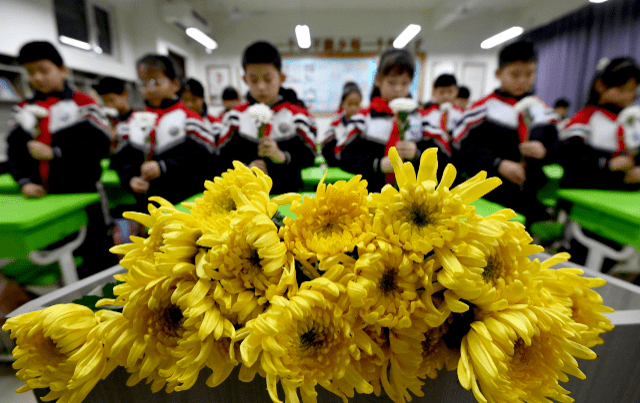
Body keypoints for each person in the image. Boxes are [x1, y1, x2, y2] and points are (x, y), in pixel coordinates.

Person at [7, 41, 114, 277]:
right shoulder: (23, 109)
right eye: (31, 72)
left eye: (44, 70)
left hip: (83, 194)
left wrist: (56, 153)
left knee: (96, 251)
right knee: (55, 257)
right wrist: (24, 181)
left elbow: (101, 144)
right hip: (45, 199)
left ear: (63, 70)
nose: (37, 78)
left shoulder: (83, 103)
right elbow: (14, 152)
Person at [452, 41, 558, 225]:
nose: (523, 80)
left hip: (528, 195)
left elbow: (560, 149)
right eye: (515, 74)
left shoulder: (544, 112)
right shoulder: (481, 110)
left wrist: (545, 151)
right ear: (499, 74)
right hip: (488, 196)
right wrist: (497, 163)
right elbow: (463, 149)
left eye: (530, 73)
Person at [336, 48, 450, 192]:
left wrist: (418, 154)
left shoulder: (422, 120)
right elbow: (341, 156)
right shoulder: (362, 120)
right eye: (392, 82)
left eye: (404, 83)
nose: (398, 89)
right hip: (370, 198)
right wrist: (377, 164)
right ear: (378, 80)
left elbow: (446, 159)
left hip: (412, 199)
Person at [111, 54, 216, 207]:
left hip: (185, 202)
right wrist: (130, 179)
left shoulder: (190, 119)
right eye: (144, 83)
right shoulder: (132, 121)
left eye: (156, 82)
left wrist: (164, 166)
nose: (150, 88)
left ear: (175, 84)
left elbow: (204, 158)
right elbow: (123, 159)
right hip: (148, 203)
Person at [218, 41, 316, 195]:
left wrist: (283, 157)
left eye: (268, 79)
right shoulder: (234, 117)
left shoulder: (298, 116)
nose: (261, 86)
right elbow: (222, 157)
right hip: (246, 197)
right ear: (245, 80)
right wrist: (245, 167)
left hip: (288, 195)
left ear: (281, 78)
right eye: (254, 80)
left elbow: (310, 155)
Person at [557, 57, 640, 190]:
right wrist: (606, 164)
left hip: (620, 199)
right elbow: (568, 156)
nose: (627, 96)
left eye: (632, 91)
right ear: (600, 85)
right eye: (621, 90)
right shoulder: (585, 118)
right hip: (582, 196)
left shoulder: (631, 121)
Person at [321, 82, 362, 167]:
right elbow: (326, 150)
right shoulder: (336, 125)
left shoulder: (363, 124)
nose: (354, 108)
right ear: (342, 104)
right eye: (350, 104)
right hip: (336, 167)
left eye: (357, 104)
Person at [93, 76, 134, 153]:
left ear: (125, 94)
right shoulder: (109, 122)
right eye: (104, 101)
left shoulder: (139, 118)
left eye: (111, 100)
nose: (108, 105)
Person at [183, 78, 223, 143]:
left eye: (194, 99)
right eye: (185, 100)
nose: (189, 104)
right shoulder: (177, 122)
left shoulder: (215, 124)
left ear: (202, 98)